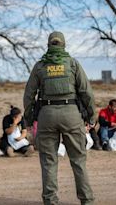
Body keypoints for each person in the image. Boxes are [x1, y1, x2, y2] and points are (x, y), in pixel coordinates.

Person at [23, 31, 96, 204]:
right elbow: (87, 92)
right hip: (71, 114)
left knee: (49, 161)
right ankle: (87, 201)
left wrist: (28, 120)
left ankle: (50, 201)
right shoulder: (72, 63)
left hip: (46, 115)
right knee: (78, 160)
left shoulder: (40, 65)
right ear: (64, 45)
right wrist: (91, 117)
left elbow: (28, 96)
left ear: (48, 45)